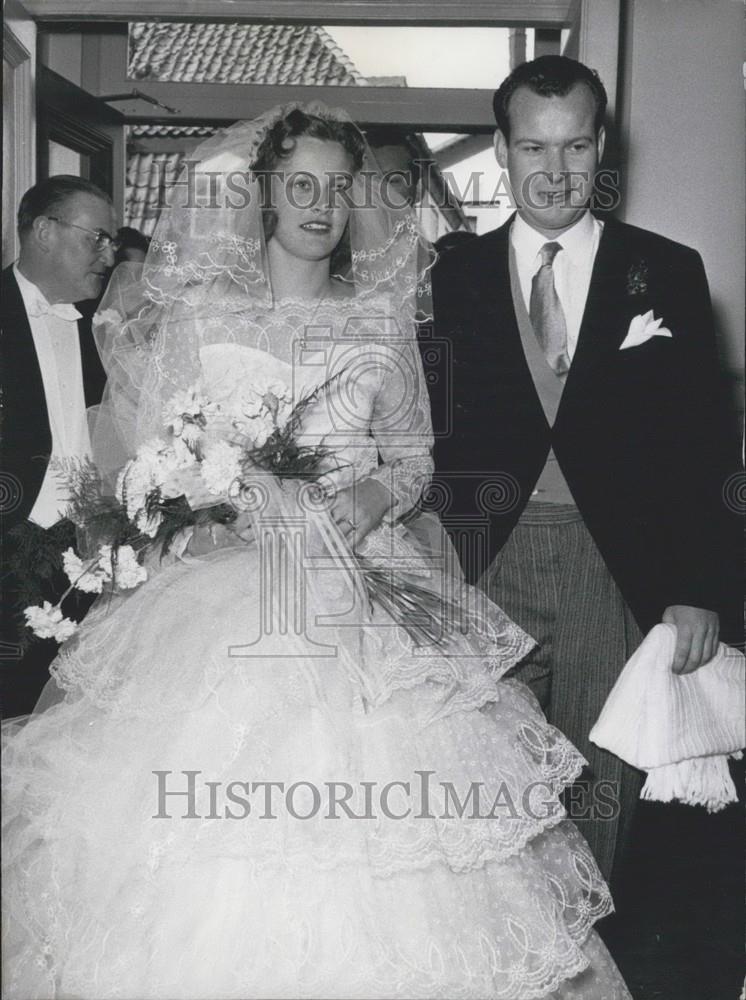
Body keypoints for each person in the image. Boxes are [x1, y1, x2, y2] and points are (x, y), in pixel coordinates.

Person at [2, 104, 632, 999]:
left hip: (363, 586)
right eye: (301, 183)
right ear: (264, 190)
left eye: (338, 188)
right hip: (220, 594)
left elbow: (412, 455)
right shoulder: (196, 313)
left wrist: (370, 495)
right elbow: (149, 460)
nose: (321, 204)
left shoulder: (380, 317)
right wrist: (213, 496)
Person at [429, 55, 742, 884]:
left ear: (601, 148)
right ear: (501, 149)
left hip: (620, 564)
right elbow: (420, 433)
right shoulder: (447, 276)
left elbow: (706, 442)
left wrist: (701, 585)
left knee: (603, 792)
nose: (555, 172)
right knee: (487, 786)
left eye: (574, 148)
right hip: (485, 560)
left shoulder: (667, 271)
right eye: (534, 148)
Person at [0, 176, 117, 718]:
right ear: (44, 232)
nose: (108, 253)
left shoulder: (107, 328)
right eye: (97, 237)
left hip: (94, 561)